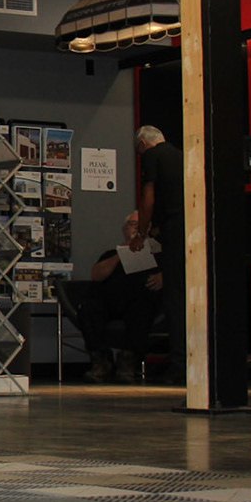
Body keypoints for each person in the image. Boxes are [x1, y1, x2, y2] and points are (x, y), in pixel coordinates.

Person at [80, 211, 162, 383]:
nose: (136, 228)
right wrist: (123, 252)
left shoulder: (159, 255)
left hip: (139, 302)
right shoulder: (111, 254)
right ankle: (101, 360)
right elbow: (96, 275)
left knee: (142, 308)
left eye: (141, 225)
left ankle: (128, 361)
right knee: (89, 307)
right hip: (111, 302)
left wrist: (163, 277)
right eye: (132, 224)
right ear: (125, 230)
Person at [133, 124, 185, 382]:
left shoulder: (153, 156)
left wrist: (141, 233)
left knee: (175, 299)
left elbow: (149, 197)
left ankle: (179, 366)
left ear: (143, 145)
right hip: (191, 226)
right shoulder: (182, 155)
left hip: (174, 229)